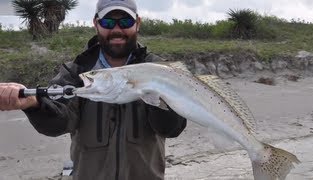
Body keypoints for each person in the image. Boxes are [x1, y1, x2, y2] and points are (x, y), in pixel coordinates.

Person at [0, 0, 187, 179]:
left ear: (137, 23)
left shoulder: (161, 69)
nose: (116, 29)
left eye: (125, 21)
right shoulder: (77, 72)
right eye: (107, 22)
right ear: (96, 24)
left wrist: (155, 97)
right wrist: (34, 104)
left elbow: (172, 128)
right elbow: (58, 122)